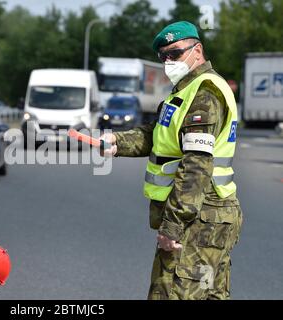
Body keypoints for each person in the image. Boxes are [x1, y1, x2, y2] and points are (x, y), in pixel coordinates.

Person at [101, 21, 243, 300]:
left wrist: (173, 227)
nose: (168, 61)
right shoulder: (182, 92)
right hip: (207, 217)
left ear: (197, 50)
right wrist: (117, 142)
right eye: (163, 56)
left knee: (170, 293)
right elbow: (158, 137)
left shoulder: (204, 93)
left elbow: (195, 168)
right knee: (209, 295)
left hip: (200, 220)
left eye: (175, 53)